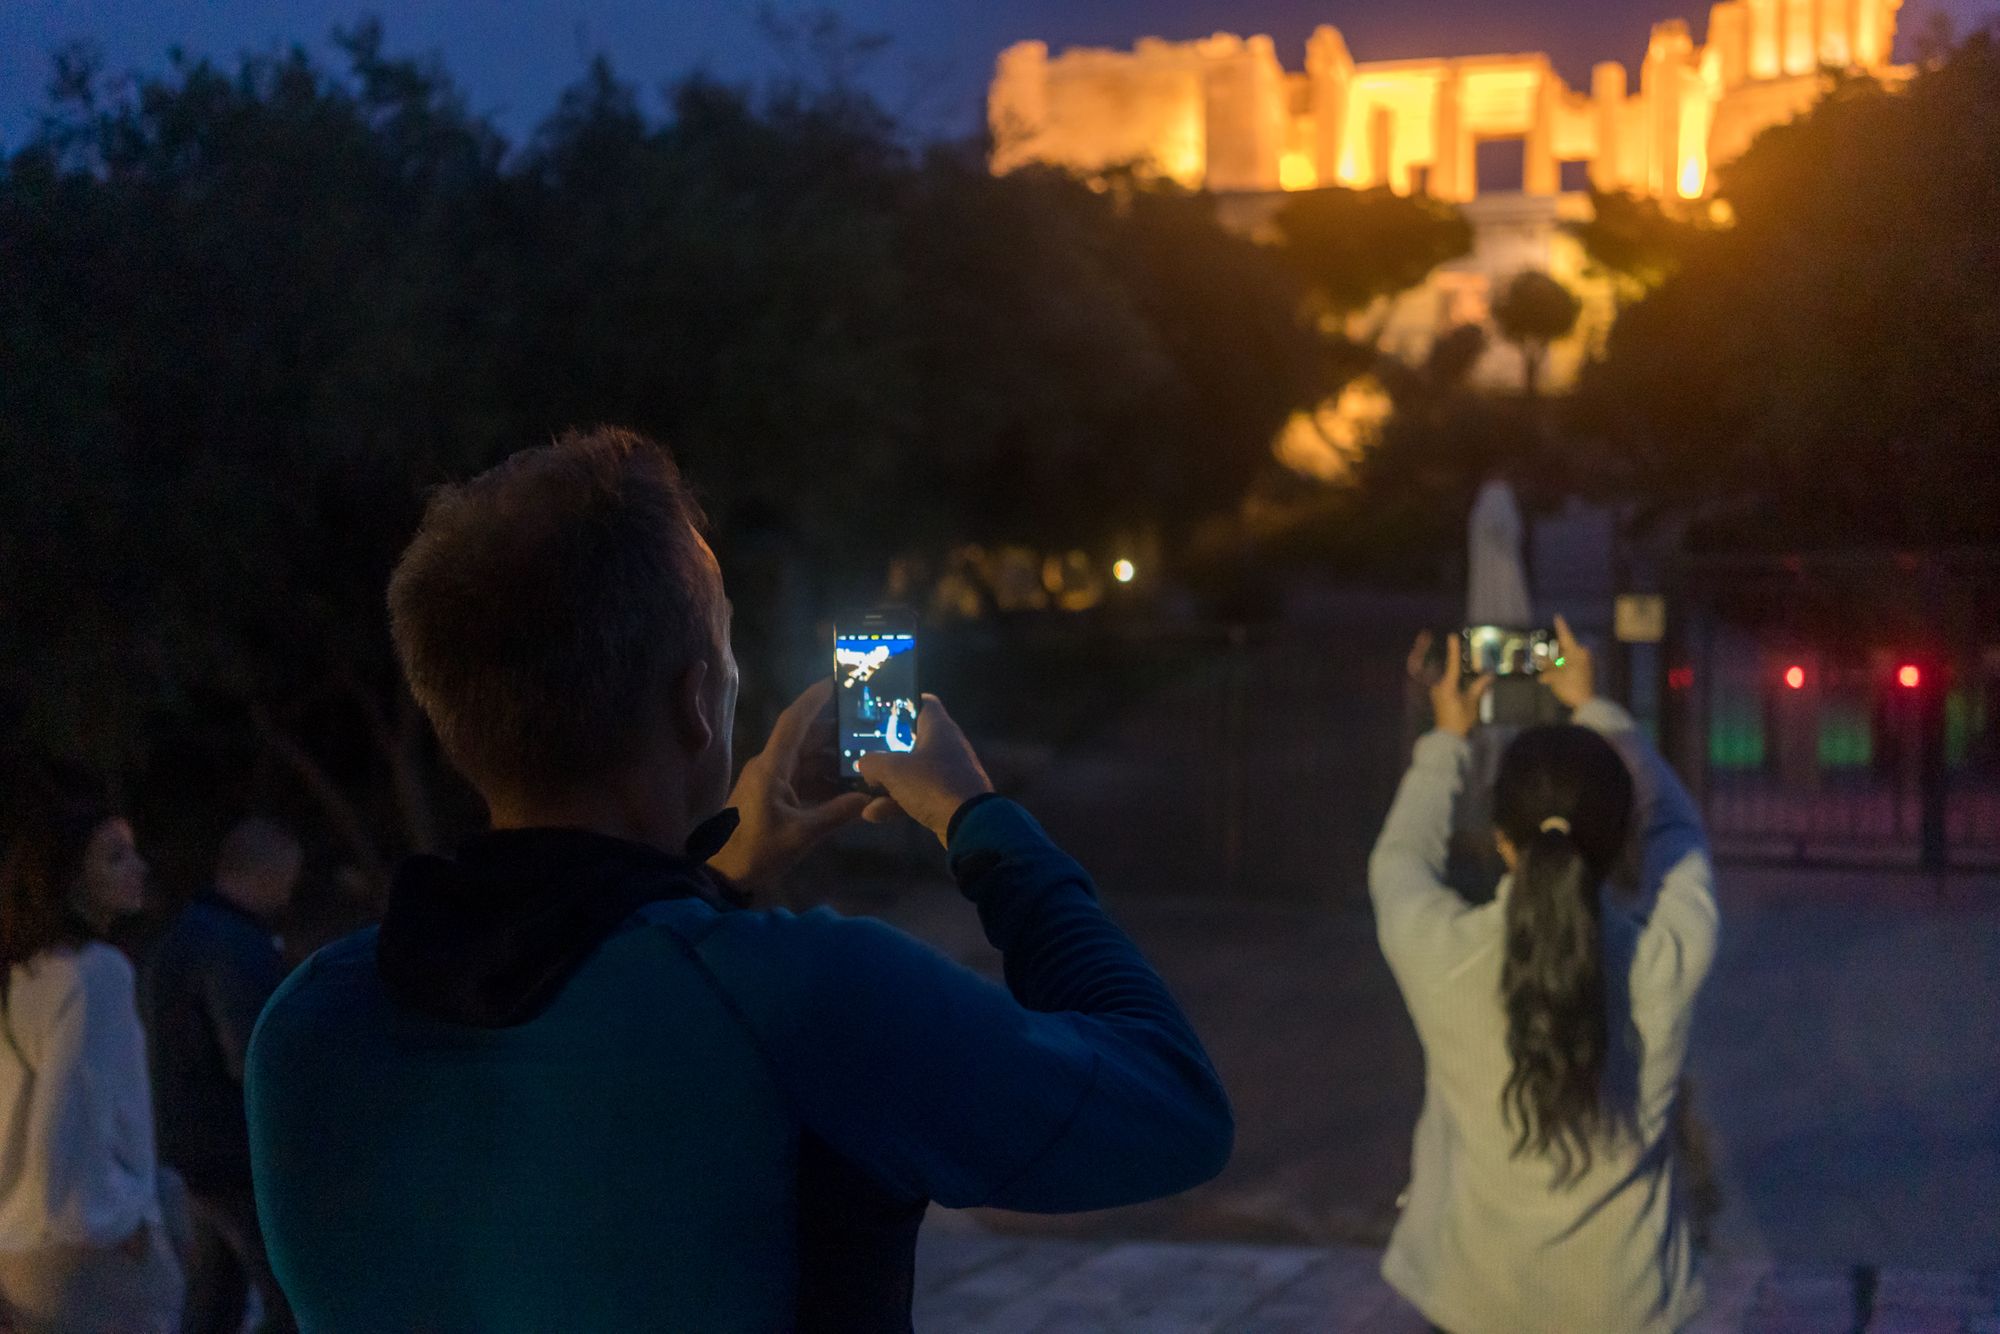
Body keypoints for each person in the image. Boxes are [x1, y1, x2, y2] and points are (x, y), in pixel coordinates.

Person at [245, 427, 1234, 1332]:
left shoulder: (306, 1025)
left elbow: (570, 996)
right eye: (721, 640)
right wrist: (977, 821)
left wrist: (710, 877)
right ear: (693, 702)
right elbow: (1172, 1107)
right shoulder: (811, 994)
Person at [1370, 618, 1719, 1334]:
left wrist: (1447, 739)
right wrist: (1599, 711)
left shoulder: (1439, 953)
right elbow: (1680, 831)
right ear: (1620, 838)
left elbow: (1398, 861)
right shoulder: (1669, 955)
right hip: (1629, 1307)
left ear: (1501, 841)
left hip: (1473, 1303)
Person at [0, 791, 184, 1333]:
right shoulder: (97, 972)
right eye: (115, 856)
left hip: (18, 1257)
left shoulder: (19, 978)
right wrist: (116, 1219)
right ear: (70, 879)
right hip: (90, 1255)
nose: (139, 866)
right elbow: (71, 1116)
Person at [142, 817, 301, 1334]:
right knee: (291, 1298)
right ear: (271, 874)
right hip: (237, 1155)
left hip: (192, 1152)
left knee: (215, 1299)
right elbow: (253, 1055)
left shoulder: (184, 935)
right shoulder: (235, 945)